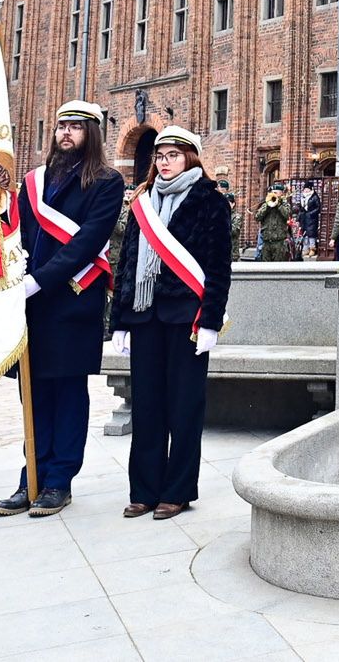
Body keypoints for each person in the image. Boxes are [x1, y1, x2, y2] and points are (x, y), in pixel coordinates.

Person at [0, 100, 123, 519]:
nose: (66, 133)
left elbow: (87, 242)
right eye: (62, 125)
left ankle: (58, 480)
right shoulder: (33, 182)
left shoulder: (107, 182)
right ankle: (30, 474)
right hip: (28, 305)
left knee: (66, 394)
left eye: (76, 127)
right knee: (33, 392)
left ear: (92, 133)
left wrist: (38, 280)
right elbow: (18, 233)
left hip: (70, 299)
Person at [109, 127, 232, 519]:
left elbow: (218, 267)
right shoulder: (142, 201)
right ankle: (143, 490)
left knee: (184, 406)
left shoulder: (209, 201)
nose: (163, 161)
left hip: (186, 318)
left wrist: (211, 321)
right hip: (145, 316)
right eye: (159, 155)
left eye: (173, 154)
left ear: (191, 158)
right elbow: (127, 264)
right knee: (147, 404)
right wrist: (121, 322)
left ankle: (177, 491)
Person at [256, 186, 291, 262]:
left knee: (278, 267)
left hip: (279, 242)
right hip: (266, 241)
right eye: (272, 192)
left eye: (275, 192)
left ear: (281, 193)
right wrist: (267, 207)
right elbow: (257, 217)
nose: (273, 194)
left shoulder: (285, 204)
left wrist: (278, 204)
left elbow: (287, 215)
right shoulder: (266, 204)